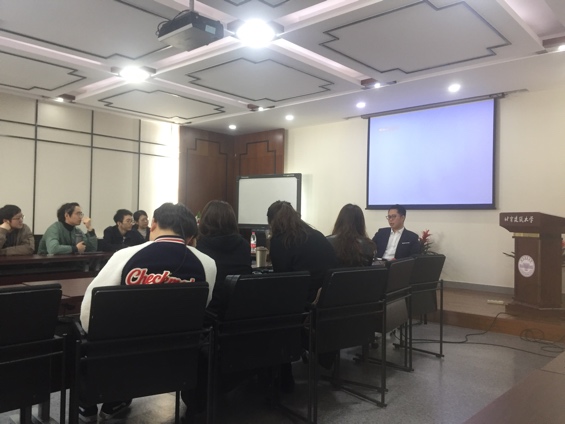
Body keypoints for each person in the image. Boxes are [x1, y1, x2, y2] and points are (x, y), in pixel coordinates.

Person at [78, 202, 216, 422]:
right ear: (191, 235)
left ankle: (88, 404)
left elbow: (89, 313)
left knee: (79, 335)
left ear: (153, 224)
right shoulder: (207, 264)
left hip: (119, 360)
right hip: (177, 361)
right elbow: (202, 307)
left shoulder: (125, 256)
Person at [267, 200, 338, 392]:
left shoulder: (280, 241)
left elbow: (283, 281)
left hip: (305, 309)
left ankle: (282, 377)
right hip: (329, 305)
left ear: (272, 222)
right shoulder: (317, 235)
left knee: (266, 310)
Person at [196, 200, 252, 319]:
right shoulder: (244, 245)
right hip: (239, 310)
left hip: (208, 312)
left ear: (205, 221)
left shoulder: (199, 246)